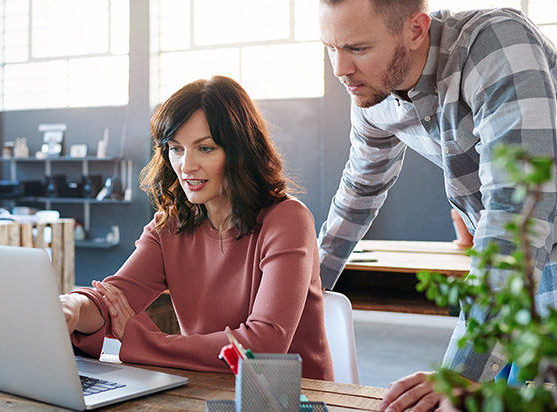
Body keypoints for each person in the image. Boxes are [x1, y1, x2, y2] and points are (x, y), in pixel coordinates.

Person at [315, 0, 557, 410]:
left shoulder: (494, 45)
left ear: (415, 30)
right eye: (330, 47)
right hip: (515, 275)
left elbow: (517, 214)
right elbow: (357, 194)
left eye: (357, 49)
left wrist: (460, 373)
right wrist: (300, 299)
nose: (340, 68)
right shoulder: (376, 93)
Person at [59, 75, 334, 381]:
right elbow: (113, 298)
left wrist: (144, 342)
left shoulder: (287, 220)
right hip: (207, 389)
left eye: (205, 149)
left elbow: (262, 346)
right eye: (176, 149)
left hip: (289, 398)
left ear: (241, 151)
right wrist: (69, 306)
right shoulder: (170, 225)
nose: (186, 166)